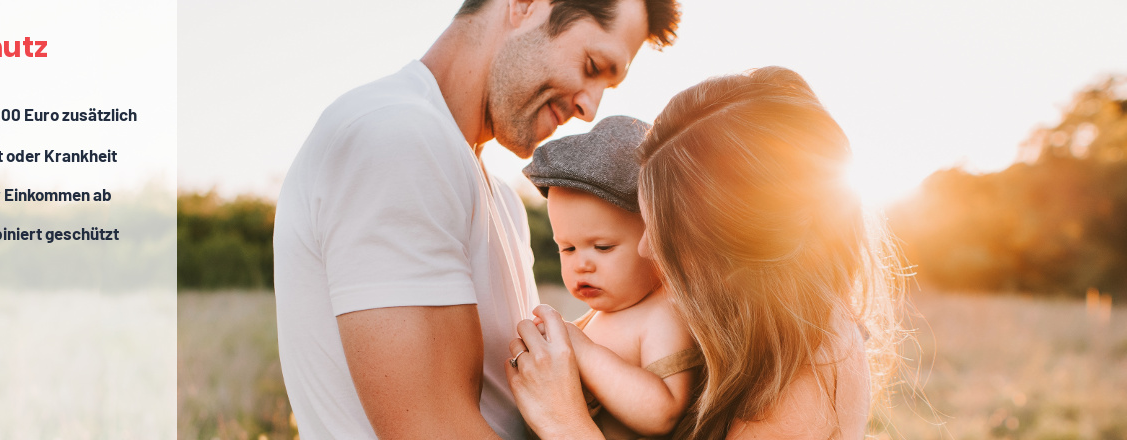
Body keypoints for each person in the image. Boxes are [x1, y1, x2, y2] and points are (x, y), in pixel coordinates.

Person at [273, 0, 681, 437]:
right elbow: (433, 428)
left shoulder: (500, 198)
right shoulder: (396, 138)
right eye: (591, 64)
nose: (590, 107)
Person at [508, 67, 905, 439]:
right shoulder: (764, 339)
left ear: (739, 241)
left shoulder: (811, 368)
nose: (647, 249)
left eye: (667, 234)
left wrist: (564, 422)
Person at [520, 115, 701, 438]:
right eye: (568, 248)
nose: (581, 265)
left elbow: (665, 411)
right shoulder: (603, 314)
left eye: (602, 247)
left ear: (655, 240)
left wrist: (583, 350)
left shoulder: (663, 312)